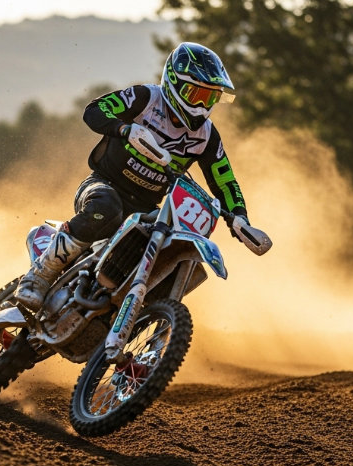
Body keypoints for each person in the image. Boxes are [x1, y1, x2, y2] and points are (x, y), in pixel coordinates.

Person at [14, 42, 271, 311]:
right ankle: (39, 276)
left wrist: (239, 217)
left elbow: (224, 179)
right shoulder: (146, 98)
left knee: (167, 253)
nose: (200, 105)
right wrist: (124, 129)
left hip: (147, 210)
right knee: (106, 208)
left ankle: (135, 327)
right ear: (173, 83)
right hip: (103, 185)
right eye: (194, 94)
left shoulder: (206, 135)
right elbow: (95, 111)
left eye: (209, 98)